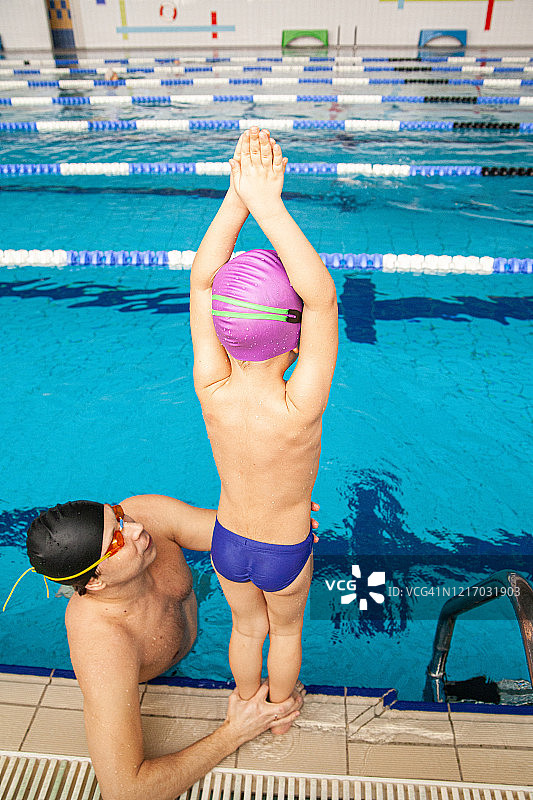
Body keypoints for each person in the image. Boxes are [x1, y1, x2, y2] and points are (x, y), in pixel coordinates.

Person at [190, 127, 338, 734]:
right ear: (296, 332)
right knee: (286, 630)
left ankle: (243, 702)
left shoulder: (212, 385)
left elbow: (202, 280)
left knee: (245, 627)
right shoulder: (297, 403)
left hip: (229, 540)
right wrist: (269, 205)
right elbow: (323, 298)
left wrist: (237, 199)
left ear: (223, 326)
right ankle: (278, 715)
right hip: (284, 549)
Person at [22, 495, 315, 800]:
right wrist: (236, 731)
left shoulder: (149, 517)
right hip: (148, 658)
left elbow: (241, 535)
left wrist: (285, 521)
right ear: (94, 582)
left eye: (119, 516)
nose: (135, 528)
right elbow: (125, 792)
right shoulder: (104, 647)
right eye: (117, 540)